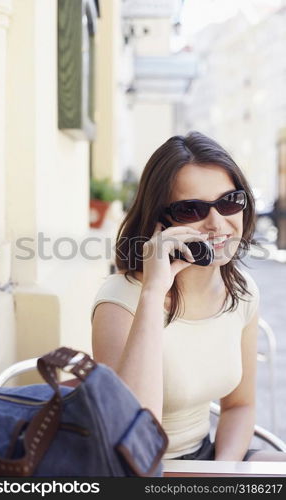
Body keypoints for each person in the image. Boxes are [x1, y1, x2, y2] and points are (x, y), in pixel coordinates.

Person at [91, 131, 286, 462]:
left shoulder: (241, 291)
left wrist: (222, 474)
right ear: (158, 221)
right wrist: (153, 292)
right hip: (137, 468)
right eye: (191, 209)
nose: (217, 223)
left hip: (209, 459)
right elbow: (131, 430)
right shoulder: (120, 300)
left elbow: (240, 406)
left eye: (229, 202)